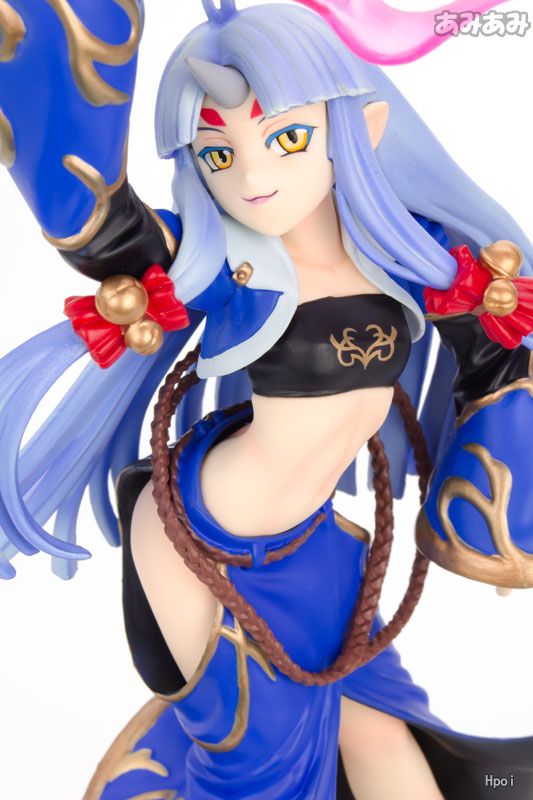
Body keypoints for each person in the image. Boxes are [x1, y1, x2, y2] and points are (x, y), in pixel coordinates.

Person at [1, 1, 533, 798]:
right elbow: (107, 231)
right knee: (256, 765)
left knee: (380, 734)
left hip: (315, 546)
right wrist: (64, 54)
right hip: (195, 542)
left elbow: (495, 361)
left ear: (363, 128)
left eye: (285, 140)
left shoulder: (412, 261)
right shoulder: (226, 267)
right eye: (219, 153)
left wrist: (502, 520)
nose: (252, 178)